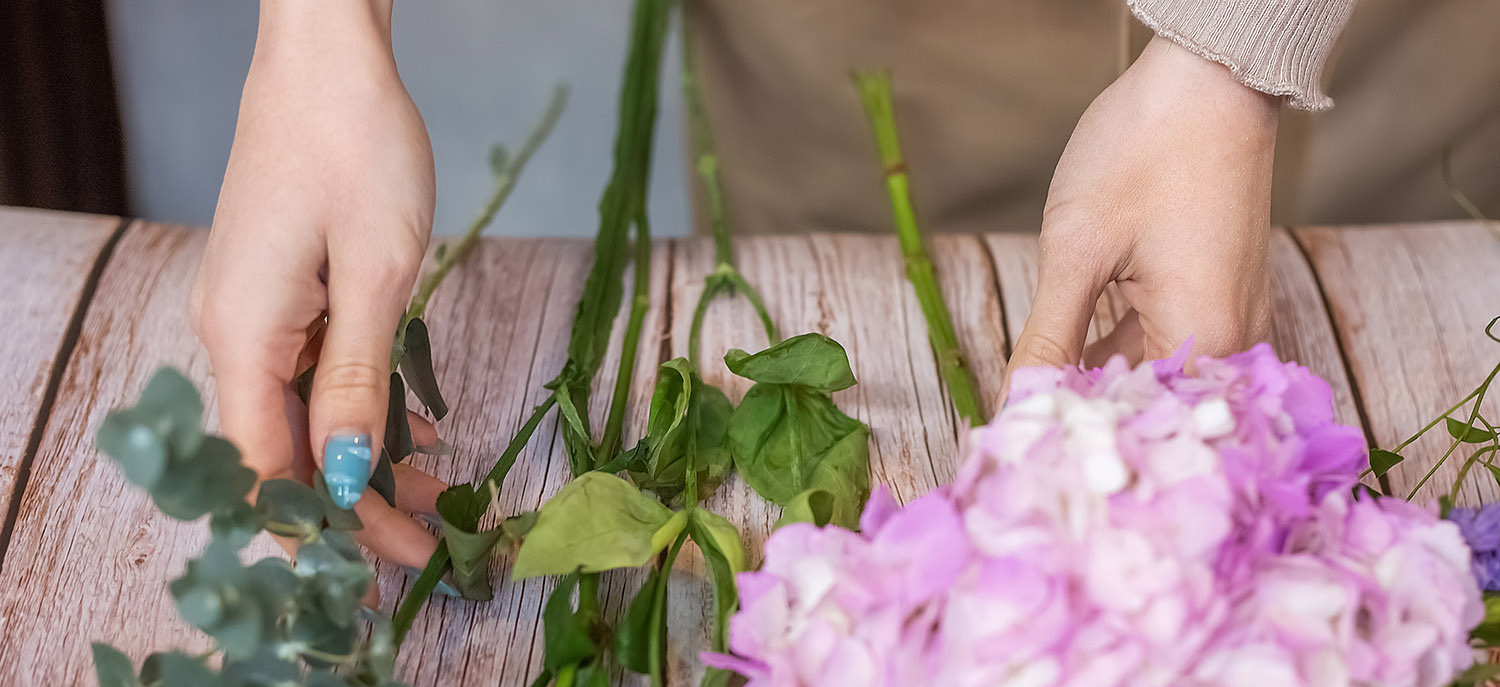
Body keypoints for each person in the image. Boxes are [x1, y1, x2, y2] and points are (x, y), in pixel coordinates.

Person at [188, 0, 1425, 571]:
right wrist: (319, 36)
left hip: (1347, 51)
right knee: (833, 260)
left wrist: (1237, 52)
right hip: (863, 42)